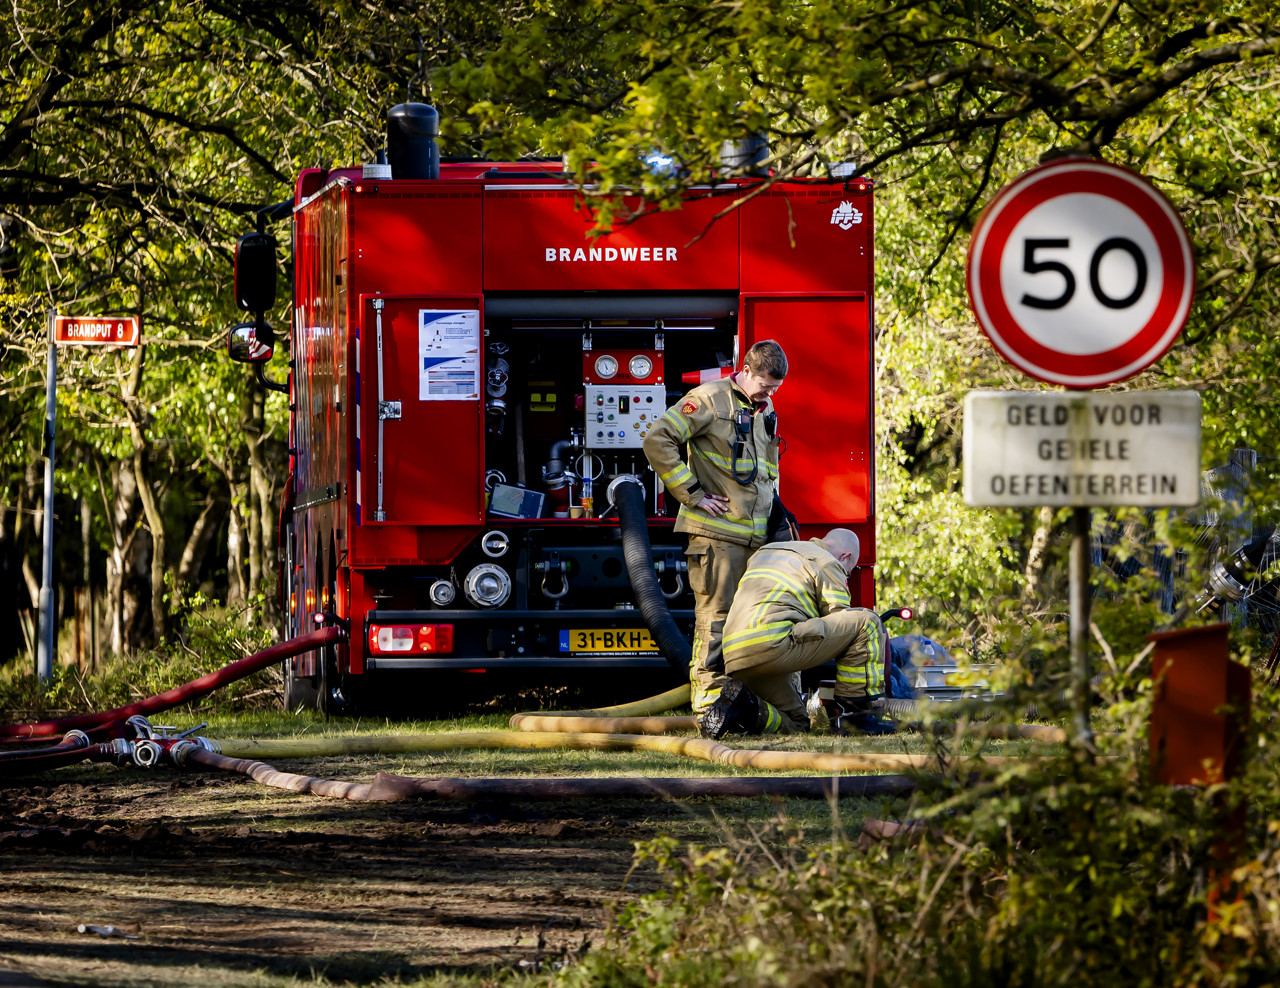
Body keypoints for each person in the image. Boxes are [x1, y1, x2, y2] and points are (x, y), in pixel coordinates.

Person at [643, 340, 796, 737]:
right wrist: (692, 494)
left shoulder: (763, 406)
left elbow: (763, 472)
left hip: (756, 539)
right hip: (717, 537)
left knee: (754, 622)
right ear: (745, 370)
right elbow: (656, 440)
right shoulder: (708, 400)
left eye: (775, 389)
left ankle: (746, 702)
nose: (769, 394)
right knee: (716, 621)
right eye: (764, 385)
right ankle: (710, 707)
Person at [702, 528, 896, 737]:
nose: (846, 575)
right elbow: (842, 623)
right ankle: (855, 718)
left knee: (797, 723)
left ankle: (746, 708)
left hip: (735, 653)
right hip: (775, 645)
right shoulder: (827, 561)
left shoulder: (767, 551)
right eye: (849, 571)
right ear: (846, 557)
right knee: (866, 622)